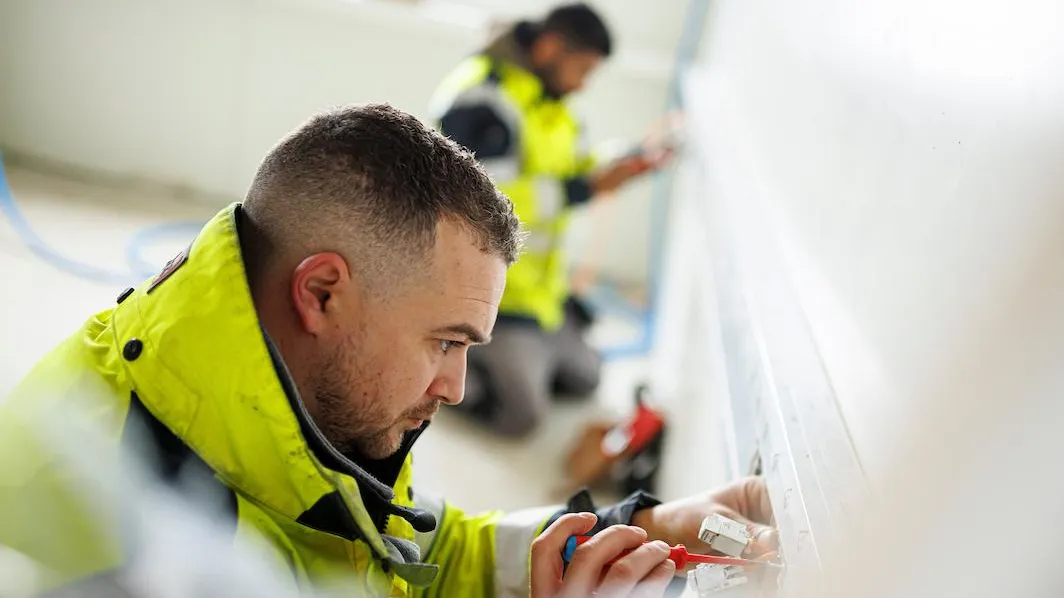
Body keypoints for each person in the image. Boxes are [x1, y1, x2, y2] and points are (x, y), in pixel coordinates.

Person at [0, 104, 773, 597]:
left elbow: (416, 549)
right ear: (322, 293)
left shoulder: (278, 409)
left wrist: (641, 526)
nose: (458, 388)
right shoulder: (125, 529)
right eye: (446, 341)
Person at [431, 3, 669, 437]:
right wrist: (583, 189)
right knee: (522, 417)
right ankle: (444, 358)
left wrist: (622, 163)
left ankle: (521, 358)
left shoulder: (554, 105)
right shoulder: (483, 94)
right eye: (582, 68)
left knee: (586, 378)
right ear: (550, 47)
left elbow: (570, 169)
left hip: (538, 297)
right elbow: (481, 198)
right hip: (487, 297)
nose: (583, 85)